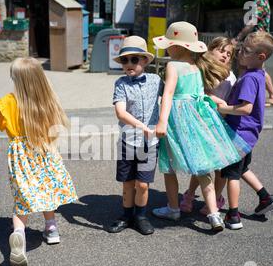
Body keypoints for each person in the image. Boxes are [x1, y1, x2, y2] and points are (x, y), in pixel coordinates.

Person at [0, 57, 78, 266]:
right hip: (44, 150)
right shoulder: (46, 98)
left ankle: (18, 233)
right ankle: (51, 228)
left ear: (15, 78)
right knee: (46, 191)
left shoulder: (8, 101)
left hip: (20, 155)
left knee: (22, 197)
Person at [151, 21, 251, 232]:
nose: (168, 47)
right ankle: (214, 214)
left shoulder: (172, 65)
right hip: (197, 118)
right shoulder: (197, 66)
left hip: (176, 119)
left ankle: (173, 208)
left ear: (176, 46)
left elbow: (168, 94)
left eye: (169, 43)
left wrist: (161, 121)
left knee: (169, 166)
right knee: (204, 166)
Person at [214, 31, 273, 229]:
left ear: (261, 57)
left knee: (231, 175)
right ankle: (265, 197)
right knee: (242, 168)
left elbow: (246, 108)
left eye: (246, 50)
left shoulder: (249, 79)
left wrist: (223, 108)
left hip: (238, 134)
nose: (240, 53)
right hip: (249, 134)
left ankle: (233, 216)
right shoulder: (259, 74)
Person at [106, 36, 163, 236]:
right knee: (128, 183)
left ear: (145, 61)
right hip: (128, 142)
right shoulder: (121, 83)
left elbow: (172, 96)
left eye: (134, 59)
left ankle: (140, 216)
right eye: (124, 60)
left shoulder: (156, 80)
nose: (129, 64)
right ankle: (126, 215)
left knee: (143, 184)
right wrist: (141, 126)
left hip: (150, 143)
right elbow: (120, 112)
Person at [180, 37, 237, 215]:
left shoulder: (230, 75)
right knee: (201, 164)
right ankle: (190, 196)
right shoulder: (200, 69)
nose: (225, 55)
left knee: (221, 166)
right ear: (209, 50)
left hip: (220, 125)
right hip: (201, 122)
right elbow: (197, 92)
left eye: (229, 54)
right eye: (221, 50)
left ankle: (213, 199)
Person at [233, 0, 273, 107]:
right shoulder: (263, 1)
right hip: (257, 41)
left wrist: (237, 38)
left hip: (257, 42)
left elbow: (252, 23)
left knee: (257, 69)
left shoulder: (260, 2)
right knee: (252, 68)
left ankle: (272, 96)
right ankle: (243, 94)